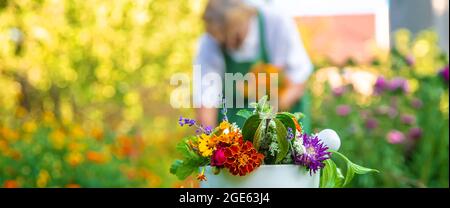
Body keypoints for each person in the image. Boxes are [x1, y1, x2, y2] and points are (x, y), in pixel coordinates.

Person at [194, 0, 313, 132]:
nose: (230, 44)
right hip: (235, 126)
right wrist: (209, 141)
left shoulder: (275, 21)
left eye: (235, 37)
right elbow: (206, 101)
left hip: (283, 116)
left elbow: (297, 80)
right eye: (223, 42)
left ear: (245, 18)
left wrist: (268, 125)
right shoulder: (209, 42)